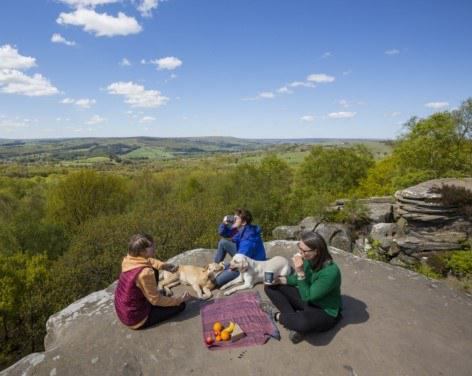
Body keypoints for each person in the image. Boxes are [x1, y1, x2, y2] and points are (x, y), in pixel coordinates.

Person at [263, 231, 342, 344]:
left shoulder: (330, 272)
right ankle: (293, 322)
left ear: (317, 251)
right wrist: (281, 280)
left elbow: (307, 296)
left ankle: (279, 317)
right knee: (270, 287)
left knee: (303, 323)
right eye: (299, 248)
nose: (299, 253)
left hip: (324, 310)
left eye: (304, 251)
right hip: (308, 298)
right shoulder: (308, 259)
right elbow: (298, 280)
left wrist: (299, 271)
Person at [114, 233, 192, 329]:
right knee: (181, 306)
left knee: (154, 269)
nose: (154, 246)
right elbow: (156, 300)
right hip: (136, 318)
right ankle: (149, 310)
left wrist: (164, 266)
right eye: (151, 246)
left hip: (124, 310)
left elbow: (149, 261)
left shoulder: (128, 260)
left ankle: (152, 295)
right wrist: (179, 300)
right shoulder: (145, 273)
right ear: (142, 252)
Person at [214, 208, 266, 287]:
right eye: (233, 217)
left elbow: (240, 261)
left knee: (216, 281)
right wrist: (224, 223)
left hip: (249, 264)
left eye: (236, 218)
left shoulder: (249, 239)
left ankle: (220, 269)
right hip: (243, 254)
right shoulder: (242, 229)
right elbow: (223, 233)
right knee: (223, 242)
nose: (233, 220)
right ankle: (214, 265)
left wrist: (224, 266)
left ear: (244, 222)